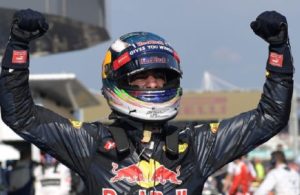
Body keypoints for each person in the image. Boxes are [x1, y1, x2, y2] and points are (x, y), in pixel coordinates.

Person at [0, 8, 294, 195]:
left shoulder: (197, 146)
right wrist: (18, 48)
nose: (154, 84)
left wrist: (279, 52)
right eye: (142, 77)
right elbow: (22, 116)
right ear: (117, 81)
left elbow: (269, 118)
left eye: (161, 77)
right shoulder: (89, 142)